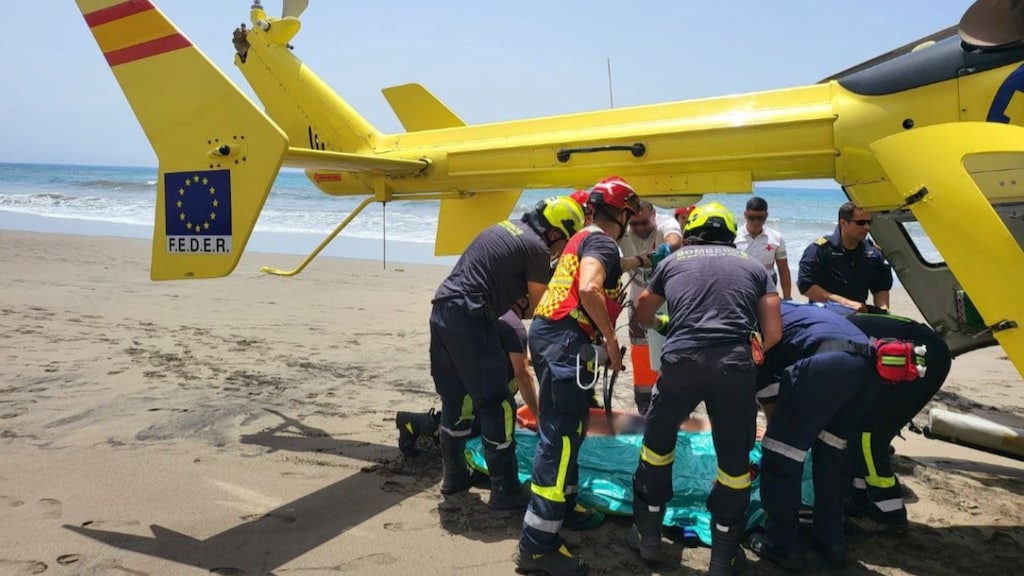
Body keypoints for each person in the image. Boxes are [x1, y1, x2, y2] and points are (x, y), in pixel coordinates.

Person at [629, 201, 782, 575]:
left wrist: (667, 326)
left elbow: (643, 314)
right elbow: (774, 332)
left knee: (657, 446)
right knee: (733, 462)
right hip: (734, 366)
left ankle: (649, 535)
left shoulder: (672, 262)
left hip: (681, 363)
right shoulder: (753, 266)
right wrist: (745, 354)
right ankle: (722, 554)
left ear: (692, 229)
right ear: (731, 232)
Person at [514, 176, 641, 576]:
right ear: (621, 214)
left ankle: (565, 508)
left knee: (570, 428)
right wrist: (611, 341)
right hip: (568, 339)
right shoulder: (603, 242)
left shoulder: (581, 239)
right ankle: (538, 544)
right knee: (562, 439)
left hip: (554, 334)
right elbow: (589, 289)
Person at [430, 196, 585, 511]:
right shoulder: (537, 249)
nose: (559, 251)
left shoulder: (506, 227)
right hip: (472, 314)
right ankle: (506, 490)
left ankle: (454, 476)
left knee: (456, 399)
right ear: (556, 233)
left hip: (443, 310)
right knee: (496, 404)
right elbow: (544, 308)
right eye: (562, 244)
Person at [749, 301, 884, 571]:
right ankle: (831, 541)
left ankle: (782, 545)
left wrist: (781, 437)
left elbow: (769, 399)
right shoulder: (792, 310)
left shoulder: (754, 324)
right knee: (832, 449)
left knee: (780, 454)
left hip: (826, 364)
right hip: (868, 366)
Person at [839, 311, 951, 533]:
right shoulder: (835, 322)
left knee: (868, 437)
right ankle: (860, 496)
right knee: (859, 425)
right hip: (919, 349)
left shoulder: (833, 336)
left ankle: (889, 513)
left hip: (919, 360)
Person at [396, 300, 540, 457]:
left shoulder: (499, 315)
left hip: (465, 377)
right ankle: (412, 422)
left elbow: (515, 357)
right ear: (522, 299)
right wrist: (539, 418)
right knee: (466, 428)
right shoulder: (514, 327)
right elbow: (523, 376)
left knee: (471, 423)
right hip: (474, 386)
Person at [618, 200, 684, 414]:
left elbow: (674, 240)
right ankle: (644, 405)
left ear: (654, 214)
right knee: (640, 353)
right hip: (638, 303)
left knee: (673, 352)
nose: (639, 228)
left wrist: (665, 250)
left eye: (645, 223)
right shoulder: (624, 232)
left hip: (668, 303)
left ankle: (675, 400)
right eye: (634, 224)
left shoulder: (666, 223)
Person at [798, 201, 893, 313]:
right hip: (825, 313)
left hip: (859, 314)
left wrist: (883, 312)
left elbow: (880, 287)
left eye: (869, 222)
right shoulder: (819, 249)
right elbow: (806, 286)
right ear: (843, 223)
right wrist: (844, 303)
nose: (867, 227)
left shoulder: (873, 252)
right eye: (861, 223)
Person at [734, 196, 792, 300]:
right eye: (752, 218)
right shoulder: (734, 237)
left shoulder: (776, 238)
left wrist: (787, 297)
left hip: (767, 284)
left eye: (760, 218)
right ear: (745, 215)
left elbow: (783, 270)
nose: (756, 222)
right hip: (742, 283)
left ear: (766, 216)